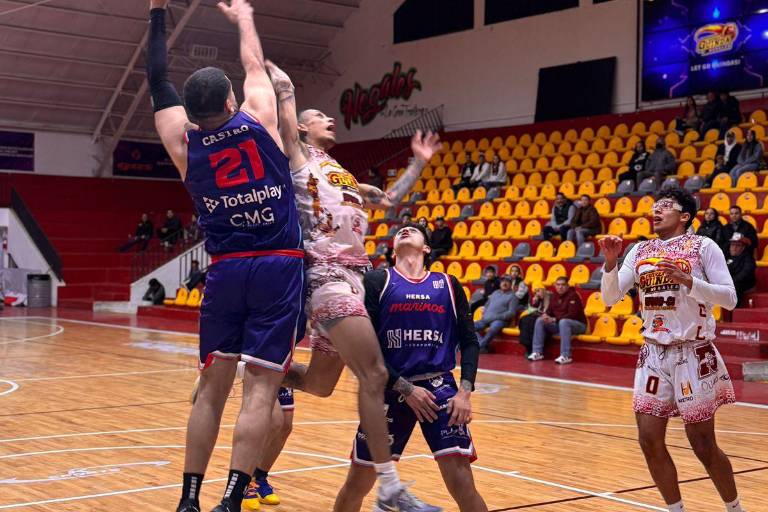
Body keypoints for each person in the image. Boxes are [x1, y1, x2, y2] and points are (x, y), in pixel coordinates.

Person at [147, 2, 305, 511]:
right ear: (232, 99)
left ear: (190, 114)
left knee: (211, 389)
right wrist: (244, 18)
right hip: (278, 264)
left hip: (225, 270)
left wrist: (156, 12)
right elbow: (256, 65)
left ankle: (188, 500)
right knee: (259, 390)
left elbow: (157, 80)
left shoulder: (184, 145)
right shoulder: (260, 120)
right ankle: (232, 499)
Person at [265, 61, 443, 510]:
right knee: (375, 374)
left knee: (320, 384)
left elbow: (388, 199)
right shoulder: (299, 157)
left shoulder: (340, 173)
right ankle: (389, 488)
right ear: (303, 129)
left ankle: (252, 365)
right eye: (319, 117)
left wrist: (418, 163)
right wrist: (281, 81)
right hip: (326, 272)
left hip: (356, 276)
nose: (330, 119)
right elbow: (284, 116)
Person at [599, 188, 745, 512]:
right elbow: (609, 298)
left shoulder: (703, 246)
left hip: (693, 351)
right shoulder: (640, 250)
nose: (657, 210)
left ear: (684, 216)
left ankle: (735, 508)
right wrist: (610, 264)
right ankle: (675, 509)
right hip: (653, 353)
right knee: (648, 440)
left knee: (702, 443)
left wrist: (690, 281)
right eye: (655, 206)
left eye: (666, 206)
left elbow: (730, 298)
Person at [334, 223, 486, 512]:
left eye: (413, 231)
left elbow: (469, 342)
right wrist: (405, 388)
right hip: (390, 386)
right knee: (357, 484)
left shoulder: (448, 284)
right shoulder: (378, 280)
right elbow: (365, 348)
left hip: (440, 388)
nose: (405, 231)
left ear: (426, 248)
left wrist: (465, 392)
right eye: (400, 231)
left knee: (463, 484)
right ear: (392, 249)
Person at [527, 277, 587, 364]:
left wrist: (555, 319)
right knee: (540, 320)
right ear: (555, 286)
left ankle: (566, 355)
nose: (560, 287)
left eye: (563, 285)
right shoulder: (554, 296)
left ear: (567, 286)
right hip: (560, 324)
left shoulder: (573, 296)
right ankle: (537, 352)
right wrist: (546, 315)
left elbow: (572, 315)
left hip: (578, 325)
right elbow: (549, 311)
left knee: (564, 322)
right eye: (558, 285)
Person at [474, 272, 525, 352]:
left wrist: (496, 317)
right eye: (503, 281)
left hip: (500, 320)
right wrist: (485, 310)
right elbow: (487, 304)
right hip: (486, 319)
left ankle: (480, 346)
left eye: (507, 281)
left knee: (494, 328)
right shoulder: (495, 293)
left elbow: (511, 313)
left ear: (510, 284)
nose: (504, 283)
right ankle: (483, 346)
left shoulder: (513, 297)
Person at [517, 285, 550, 357]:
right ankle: (527, 346)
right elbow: (530, 310)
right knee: (524, 319)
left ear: (543, 290)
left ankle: (531, 347)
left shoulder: (549, 297)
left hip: (547, 318)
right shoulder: (537, 298)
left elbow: (547, 311)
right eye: (535, 292)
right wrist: (535, 303)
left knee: (532, 322)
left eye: (538, 291)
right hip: (537, 315)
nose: (537, 293)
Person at [726, 233, 756, 308]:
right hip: (730, 282)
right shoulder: (727, 257)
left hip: (744, 283)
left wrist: (732, 281)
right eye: (732, 245)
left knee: (736, 286)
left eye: (738, 245)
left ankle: (735, 308)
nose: (734, 248)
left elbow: (745, 273)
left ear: (743, 248)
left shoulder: (748, 258)